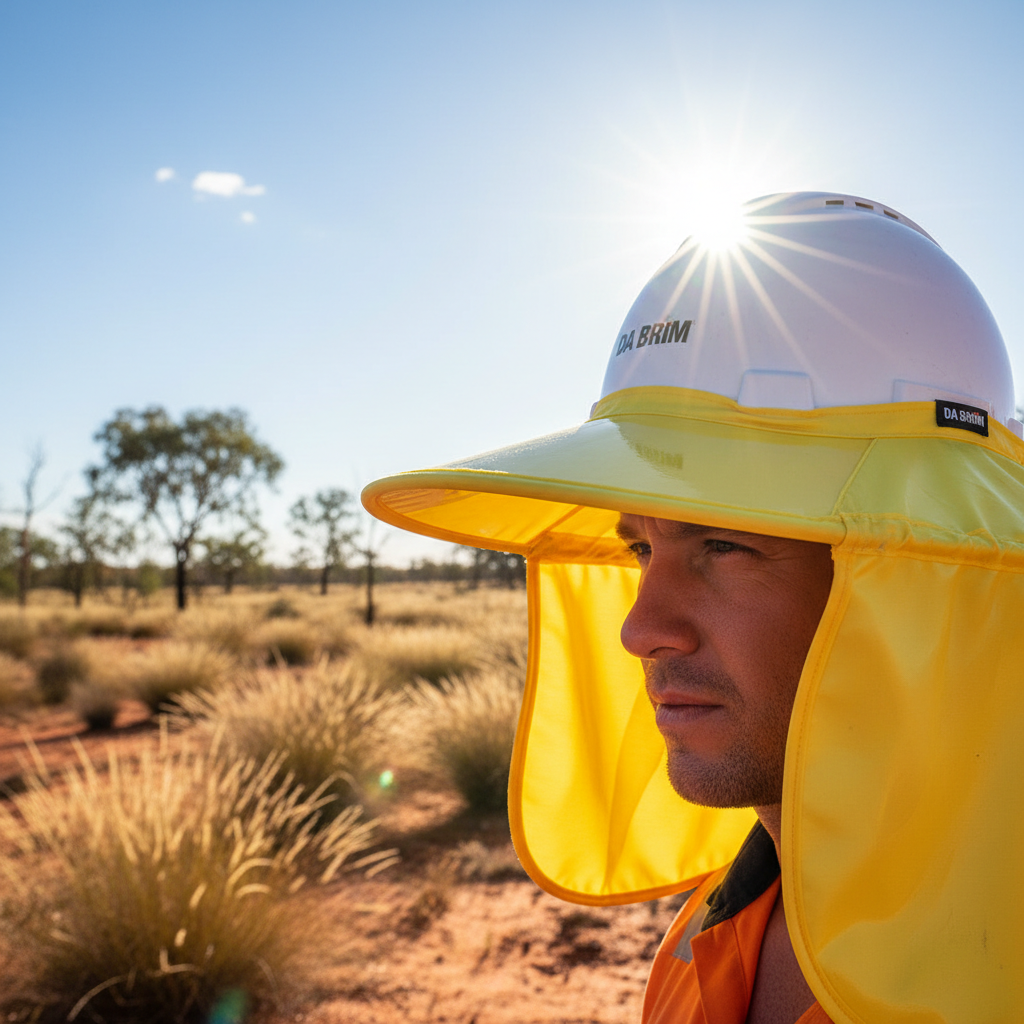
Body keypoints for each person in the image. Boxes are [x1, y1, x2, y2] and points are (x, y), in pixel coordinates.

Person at [364, 192, 1024, 1023]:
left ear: (918, 581)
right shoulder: (714, 932)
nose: (640, 630)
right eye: (641, 548)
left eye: (722, 546)